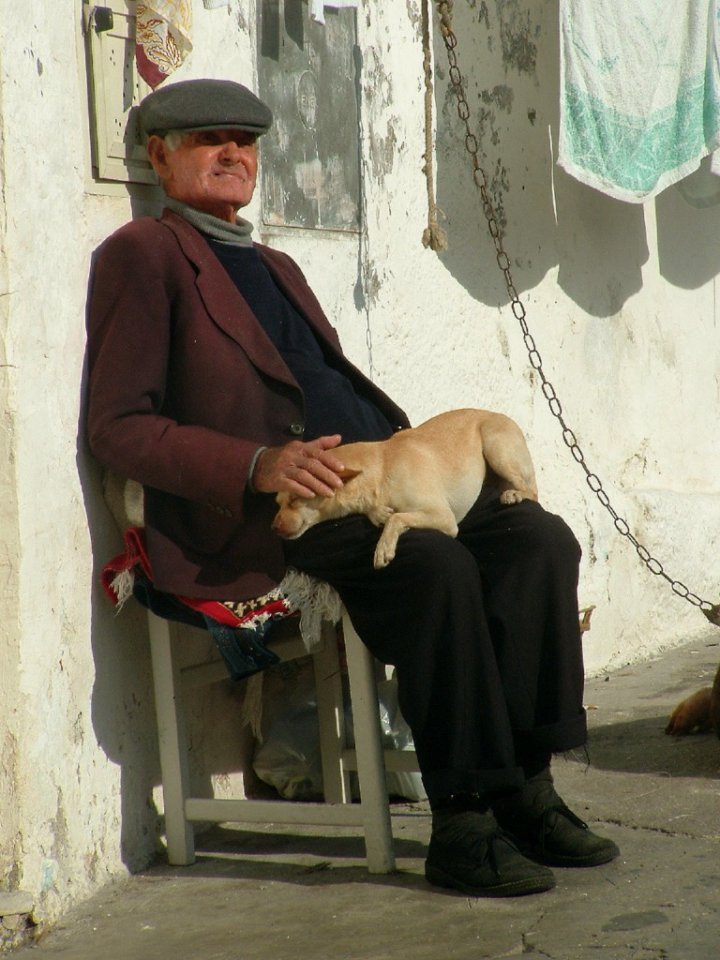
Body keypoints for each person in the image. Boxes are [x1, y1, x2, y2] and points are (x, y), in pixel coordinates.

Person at [85, 77, 619, 898]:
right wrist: (255, 466)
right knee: (435, 569)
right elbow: (117, 425)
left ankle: (527, 785)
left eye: (246, 140)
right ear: (160, 155)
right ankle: (466, 815)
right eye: (209, 140)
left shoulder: (274, 262)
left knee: (538, 541)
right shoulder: (144, 254)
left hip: (381, 475)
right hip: (277, 509)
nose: (234, 153)